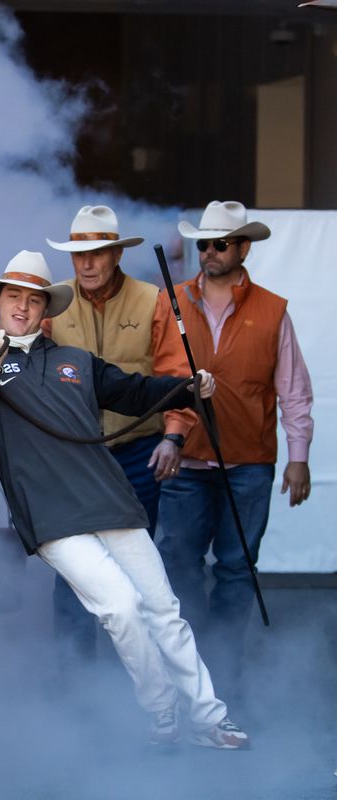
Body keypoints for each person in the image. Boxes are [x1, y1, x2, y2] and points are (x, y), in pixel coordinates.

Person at [0, 250, 248, 749]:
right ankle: (162, 713)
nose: (22, 308)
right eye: (13, 297)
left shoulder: (74, 360)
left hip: (110, 499)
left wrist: (188, 389)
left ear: (46, 307)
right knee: (121, 608)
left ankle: (207, 719)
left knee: (164, 610)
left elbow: (135, 392)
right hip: (49, 516)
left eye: (33, 299)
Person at [156, 201, 314, 705]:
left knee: (236, 567)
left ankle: (223, 671)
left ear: (244, 247)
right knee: (178, 563)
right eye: (203, 243)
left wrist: (299, 454)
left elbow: (294, 390)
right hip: (186, 461)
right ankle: (191, 666)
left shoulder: (272, 310)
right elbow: (153, 378)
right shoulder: (171, 301)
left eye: (220, 243)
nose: (209, 252)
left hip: (249, 463)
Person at [42, 205, 192, 671]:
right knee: (74, 571)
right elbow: (32, 375)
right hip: (75, 455)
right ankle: (73, 679)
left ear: (116, 255)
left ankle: (130, 674)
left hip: (139, 452)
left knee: (136, 569)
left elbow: (176, 374)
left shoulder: (154, 299)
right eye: (78, 255)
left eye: (98, 253)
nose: (87, 264)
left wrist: (174, 436)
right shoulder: (53, 303)